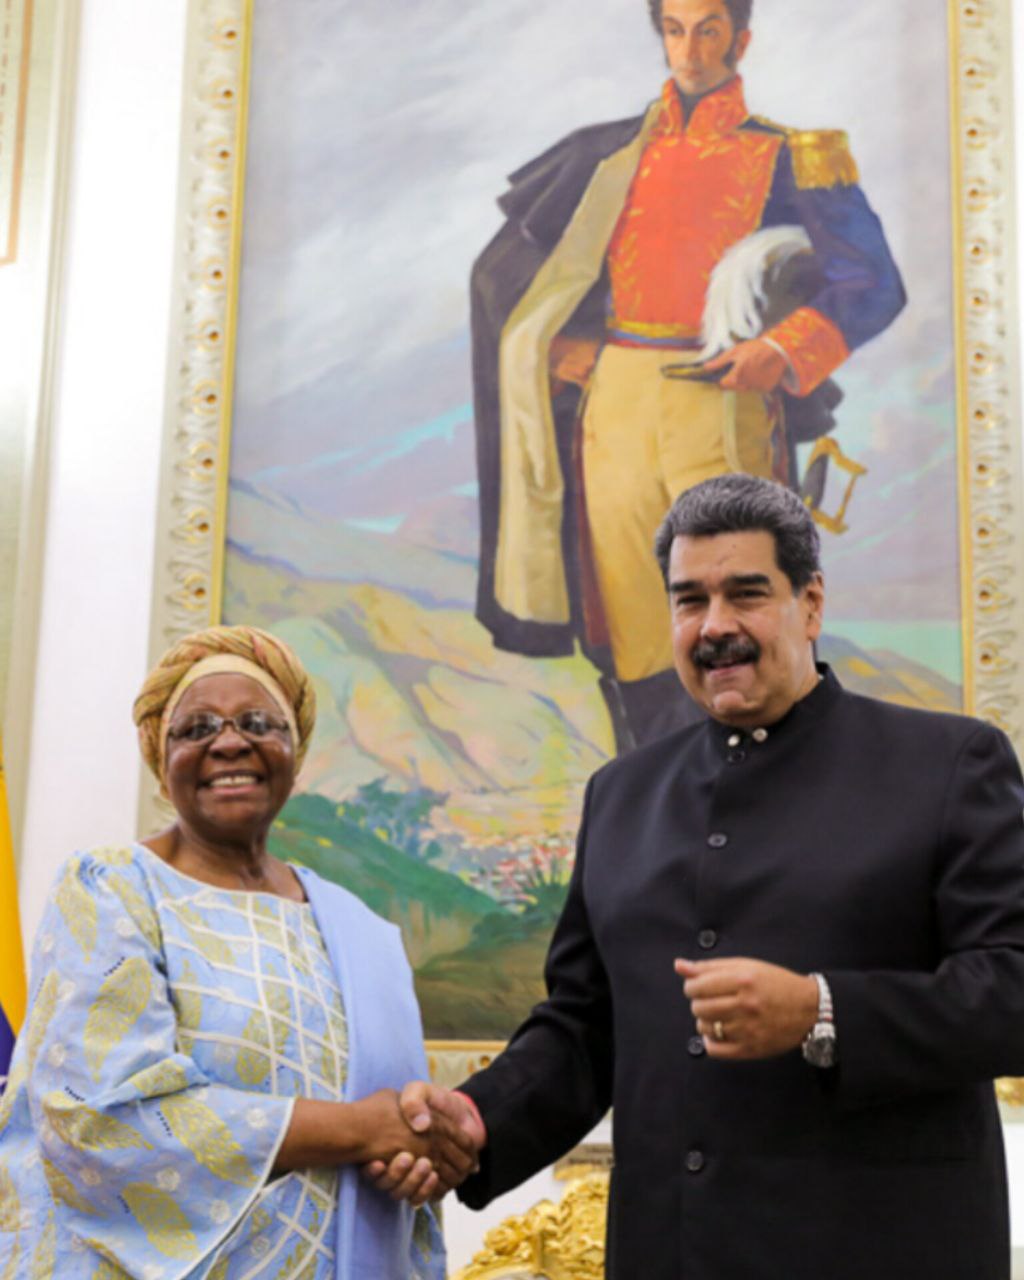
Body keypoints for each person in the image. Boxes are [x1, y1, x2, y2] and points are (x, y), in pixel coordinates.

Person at [376, 475, 1024, 1279]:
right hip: (670, 1254)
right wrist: (477, 1117)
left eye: (746, 593)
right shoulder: (621, 794)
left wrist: (821, 1011)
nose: (716, 625)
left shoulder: (950, 764)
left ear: (811, 604)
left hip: (881, 1251)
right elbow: (585, 1027)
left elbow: (1013, 991)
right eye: (690, 601)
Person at [472, 0, 906, 751]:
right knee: (633, 624)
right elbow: (510, 271)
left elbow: (872, 282)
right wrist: (556, 343)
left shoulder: (791, 155)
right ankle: (652, 789)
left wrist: (781, 350)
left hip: (723, 400)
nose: (691, 49)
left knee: (736, 610)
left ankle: (750, 790)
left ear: (741, 39)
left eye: (708, 29)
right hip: (615, 403)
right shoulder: (606, 155)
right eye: (675, 30)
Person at [0, 625, 475, 1280]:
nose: (229, 742)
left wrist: (418, 1150)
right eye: (195, 729)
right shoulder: (114, 889)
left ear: (294, 753)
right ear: (161, 762)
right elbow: (101, 1118)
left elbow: (401, 1131)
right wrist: (363, 1129)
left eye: (258, 723)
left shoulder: (361, 931)